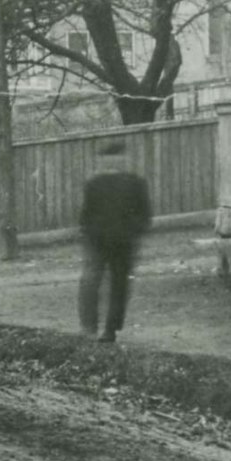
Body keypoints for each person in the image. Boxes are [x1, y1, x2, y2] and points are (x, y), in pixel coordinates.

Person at [78, 139, 153, 343]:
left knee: (119, 285)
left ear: (124, 160)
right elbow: (85, 216)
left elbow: (145, 215)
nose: (113, 163)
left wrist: (133, 233)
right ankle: (89, 326)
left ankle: (110, 329)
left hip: (123, 242)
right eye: (108, 159)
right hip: (98, 242)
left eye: (118, 158)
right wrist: (90, 236)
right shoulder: (93, 184)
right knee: (91, 281)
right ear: (102, 162)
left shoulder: (135, 183)